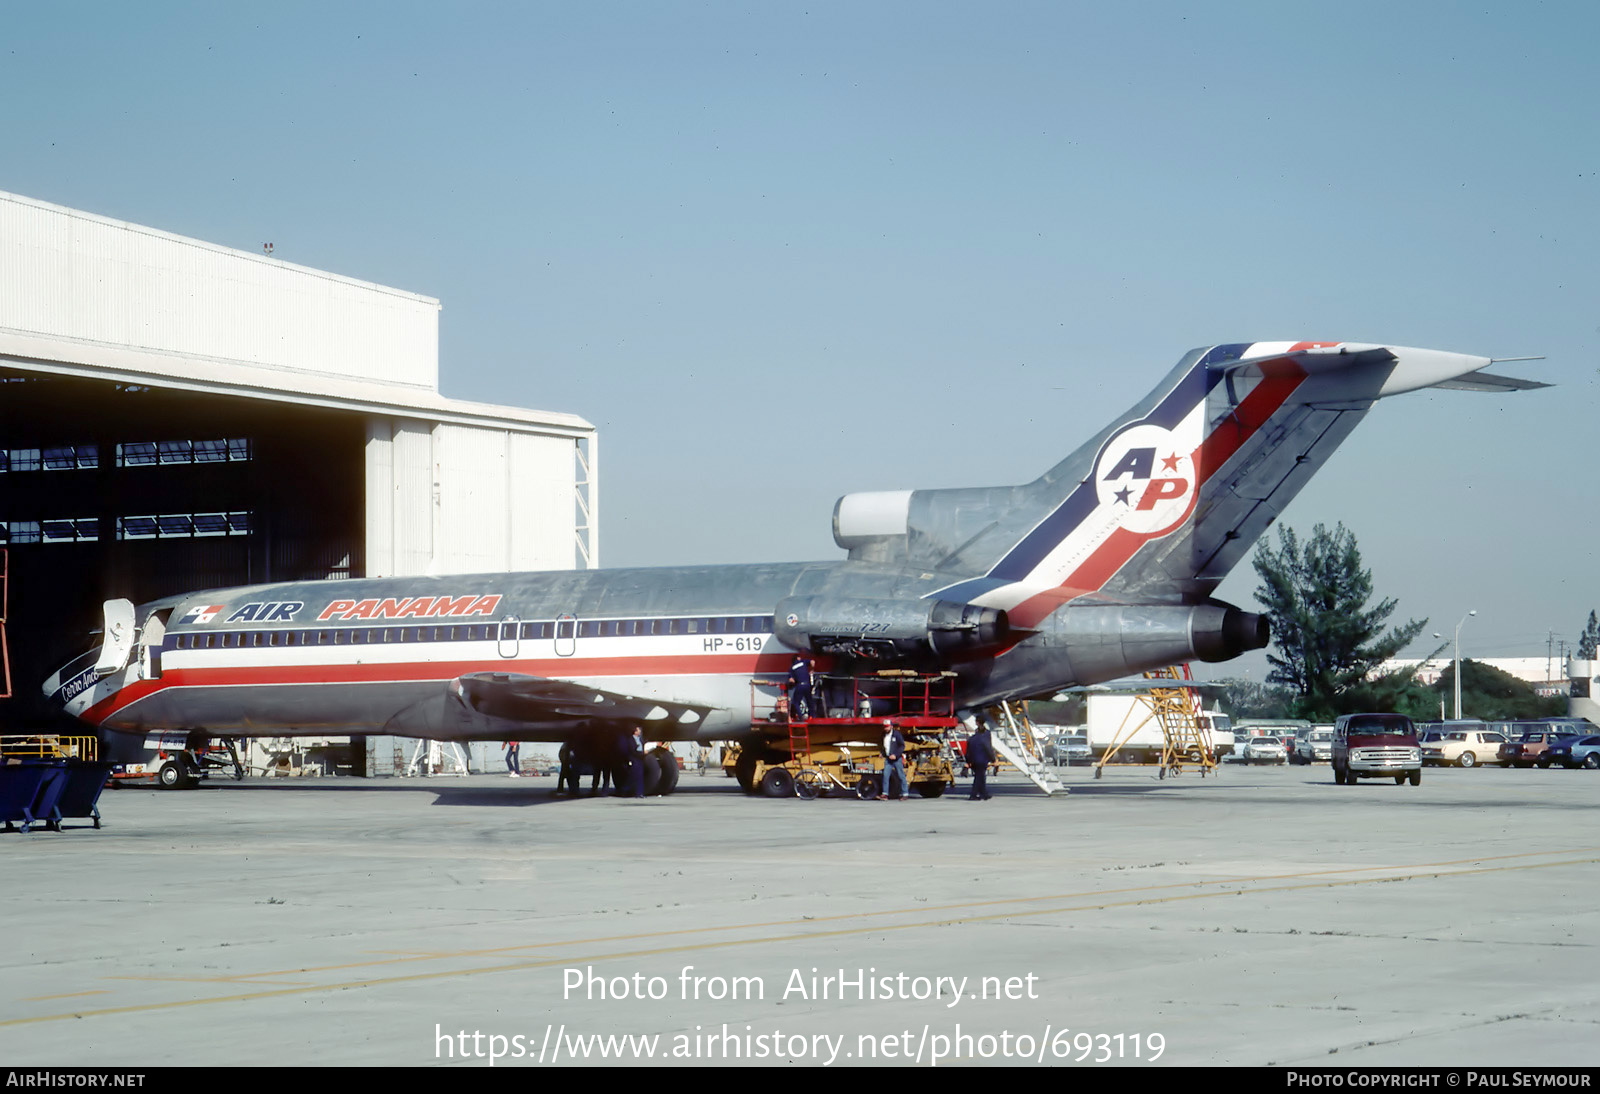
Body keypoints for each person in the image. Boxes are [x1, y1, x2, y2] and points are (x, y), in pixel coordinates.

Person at [879, 721, 908, 800]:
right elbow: (883, 745)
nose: (886, 728)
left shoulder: (896, 734)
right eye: (885, 726)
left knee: (901, 775)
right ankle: (885, 794)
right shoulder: (883, 735)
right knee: (885, 775)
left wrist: (896, 755)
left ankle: (905, 793)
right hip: (888, 759)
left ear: (891, 726)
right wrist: (882, 753)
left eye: (887, 726)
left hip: (896, 759)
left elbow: (902, 746)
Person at [966, 724, 994, 801]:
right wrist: (993, 759)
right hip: (982, 760)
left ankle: (984, 793)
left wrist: (968, 761)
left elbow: (968, 751)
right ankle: (973, 794)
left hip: (974, 760)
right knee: (979, 777)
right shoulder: (984, 739)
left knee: (981, 777)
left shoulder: (971, 739)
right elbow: (989, 750)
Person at [786, 654, 813, 721]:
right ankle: (811, 716)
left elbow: (791, 680)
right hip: (807, 685)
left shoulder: (792, 667)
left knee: (796, 702)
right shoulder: (803, 662)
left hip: (800, 685)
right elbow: (812, 662)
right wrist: (812, 670)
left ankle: (800, 717)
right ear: (798, 658)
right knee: (809, 701)